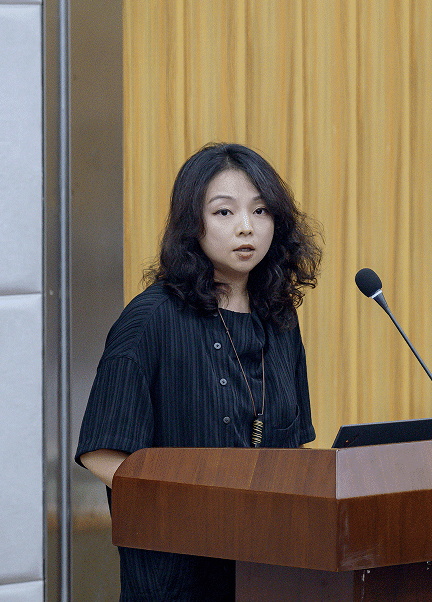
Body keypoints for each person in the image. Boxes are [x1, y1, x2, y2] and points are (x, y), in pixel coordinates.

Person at [75, 142, 322, 602]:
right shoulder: (151, 319)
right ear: (193, 223)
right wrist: (195, 512)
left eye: (261, 210)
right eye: (224, 212)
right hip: (178, 576)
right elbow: (101, 453)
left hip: (266, 570)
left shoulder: (279, 318)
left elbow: (294, 448)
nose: (246, 226)